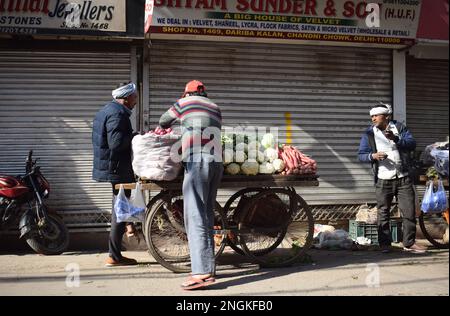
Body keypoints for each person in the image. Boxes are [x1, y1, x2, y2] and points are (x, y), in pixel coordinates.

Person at [159, 80, 223, 290]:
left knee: (194, 216)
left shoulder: (184, 103)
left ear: (186, 93)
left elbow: (163, 121)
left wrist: (167, 128)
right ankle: (207, 268)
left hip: (198, 162)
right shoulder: (215, 107)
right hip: (216, 163)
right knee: (206, 214)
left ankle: (201, 273)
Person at [358, 102, 427, 254]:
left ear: (386, 116)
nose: (373, 119)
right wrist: (373, 156)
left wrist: (396, 139)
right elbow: (361, 155)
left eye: (376, 115)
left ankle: (409, 243)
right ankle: (385, 245)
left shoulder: (400, 128)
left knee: (408, 212)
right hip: (383, 179)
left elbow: (412, 144)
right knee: (383, 212)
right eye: (372, 116)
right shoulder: (369, 133)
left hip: (403, 177)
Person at [92, 82, 139, 266]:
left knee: (120, 210)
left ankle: (116, 253)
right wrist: (135, 136)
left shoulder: (107, 110)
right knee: (119, 211)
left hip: (114, 167)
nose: (135, 101)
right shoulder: (117, 114)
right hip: (117, 169)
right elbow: (116, 143)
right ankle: (114, 256)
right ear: (126, 98)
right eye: (134, 97)